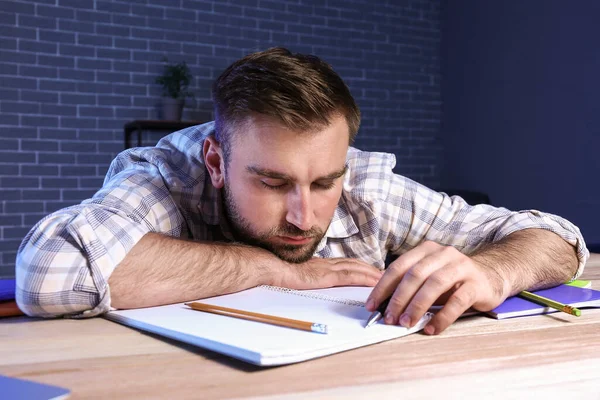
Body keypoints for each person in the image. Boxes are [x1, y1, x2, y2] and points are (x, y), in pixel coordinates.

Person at [16, 47, 588, 335]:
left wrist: (496, 272)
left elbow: (560, 239)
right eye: (272, 181)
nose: (304, 213)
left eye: (324, 181)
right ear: (217, 161)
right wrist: (274, 269)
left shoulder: (364, 184)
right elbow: (48, 275)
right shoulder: (168, 174)